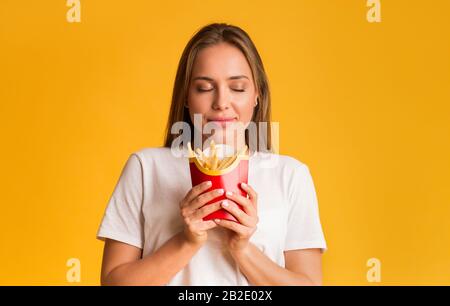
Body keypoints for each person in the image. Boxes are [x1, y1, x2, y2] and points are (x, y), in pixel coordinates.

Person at [97, 23, 327, 285]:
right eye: (205, 88)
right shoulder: (145, 168)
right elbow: (113, 283)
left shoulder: (290, 175)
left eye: (237, 88)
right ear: (186, 96)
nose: (221, 102)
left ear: (257, 95)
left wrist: (242, 248)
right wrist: (187, 240)